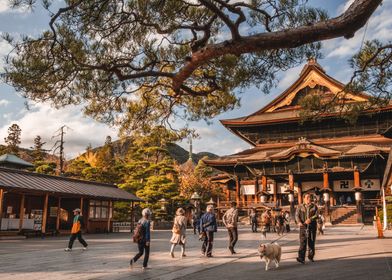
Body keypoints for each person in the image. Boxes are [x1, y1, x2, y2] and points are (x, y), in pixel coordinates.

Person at [295, 193, 318, 264]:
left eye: (310, 197)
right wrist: (298, 222)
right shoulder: (300, 206)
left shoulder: (314, 206)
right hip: (303, 226)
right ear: (303, 198)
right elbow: (296, 215)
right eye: (307, 197)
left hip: (312, 226)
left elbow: (317, 215)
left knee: (311, 242)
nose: (309, 199)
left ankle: (310, 256)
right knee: (302, 242)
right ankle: (301, 258)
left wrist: (310, 219)